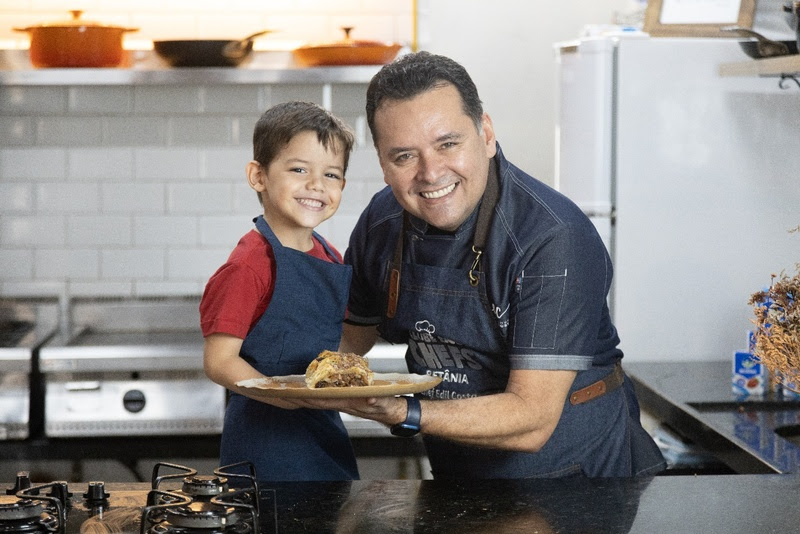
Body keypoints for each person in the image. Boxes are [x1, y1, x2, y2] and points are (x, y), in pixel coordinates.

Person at [292, 51, 667, 478]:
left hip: (578, 480)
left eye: (448, 144)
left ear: (486, 134)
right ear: (382, 164)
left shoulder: (552, 237)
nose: (431, 173)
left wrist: (398, 410)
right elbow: (346, 344)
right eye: (404, 156)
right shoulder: (383, 223)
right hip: (461, 475)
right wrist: (271, 355)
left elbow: (532, 420)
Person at [199, 101, 358, 481]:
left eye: (331, 175)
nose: (316, 185)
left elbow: (340, 342)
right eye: (299, 169)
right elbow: (219, 362)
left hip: (323, 429)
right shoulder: (248, 266)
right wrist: (280, 394)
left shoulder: (329, 256)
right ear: (258, 176)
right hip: (264, 440)